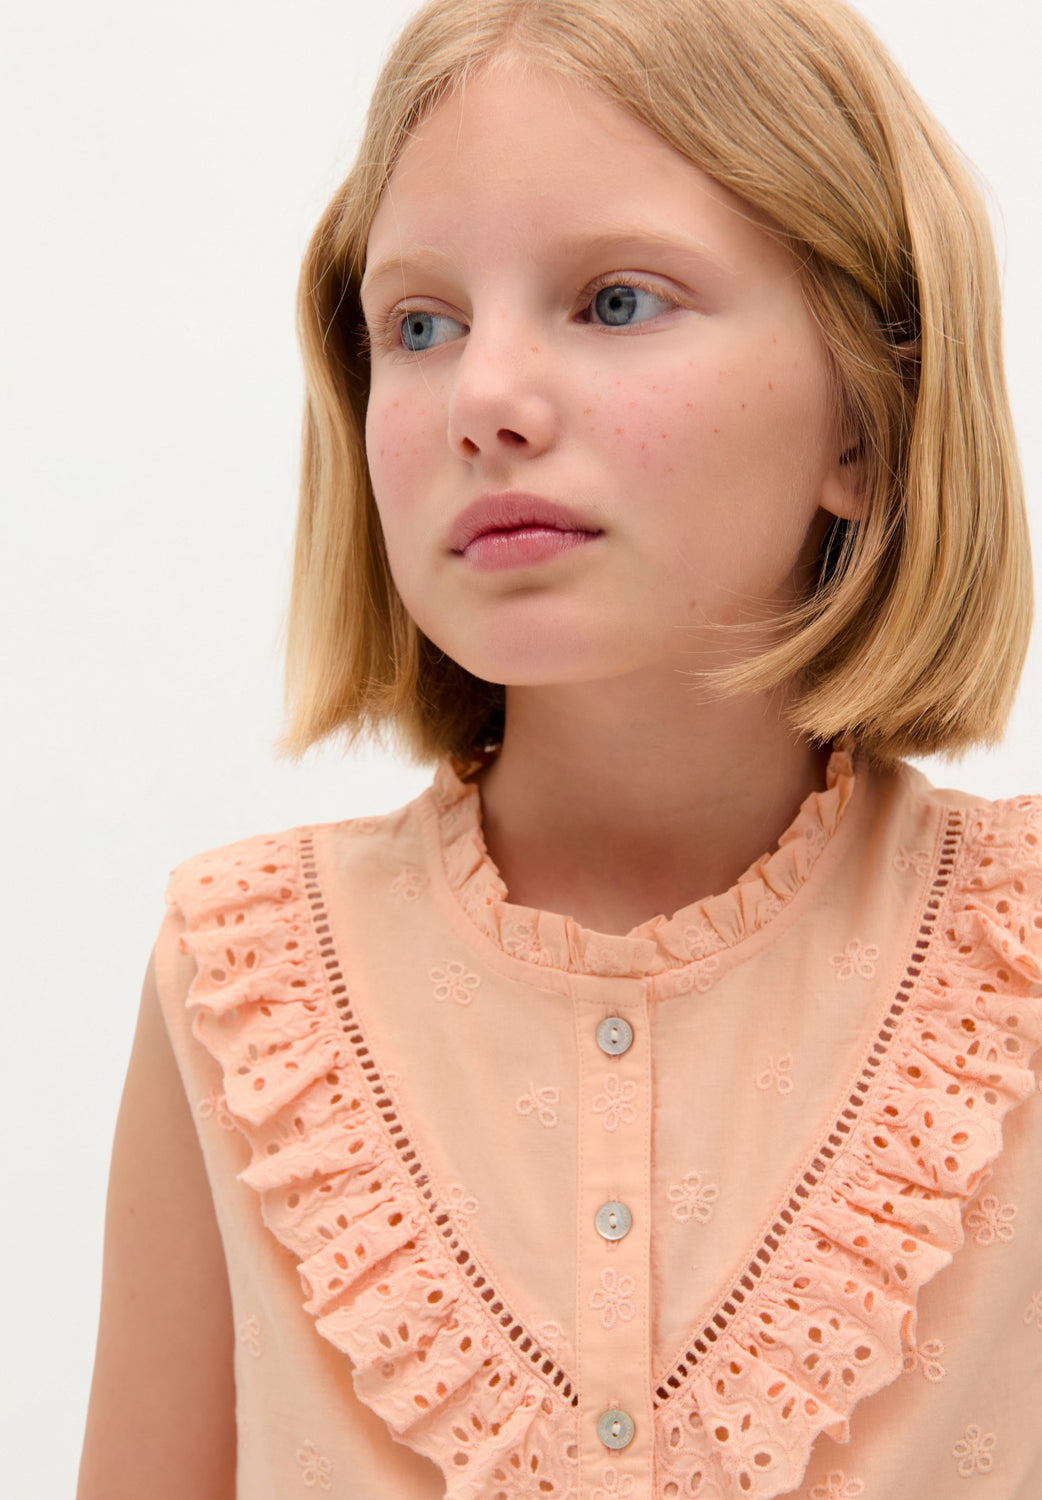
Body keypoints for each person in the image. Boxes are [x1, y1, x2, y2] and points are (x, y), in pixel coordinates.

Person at [77, 0, 1041, 1496]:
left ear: (865, 418)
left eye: (614, 302)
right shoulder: (237, 978)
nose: (484, 402)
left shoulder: (1019, 956)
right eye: (420, 326)